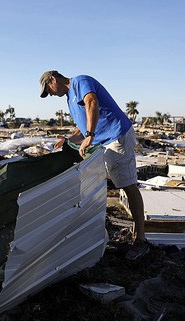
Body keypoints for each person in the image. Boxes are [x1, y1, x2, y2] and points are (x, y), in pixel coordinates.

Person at [39, 70, 149, 260]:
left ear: (53, 79)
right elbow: (81, 127)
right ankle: (133, 233)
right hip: (104, 141)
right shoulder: (70, 98)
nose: (51, 94)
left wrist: (90, 135)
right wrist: (68, 139)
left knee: (129, 186)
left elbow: (92, 102)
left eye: (49, 90)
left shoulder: (80, 82)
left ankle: (141, 239)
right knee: (116, 183)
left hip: (117, 135)